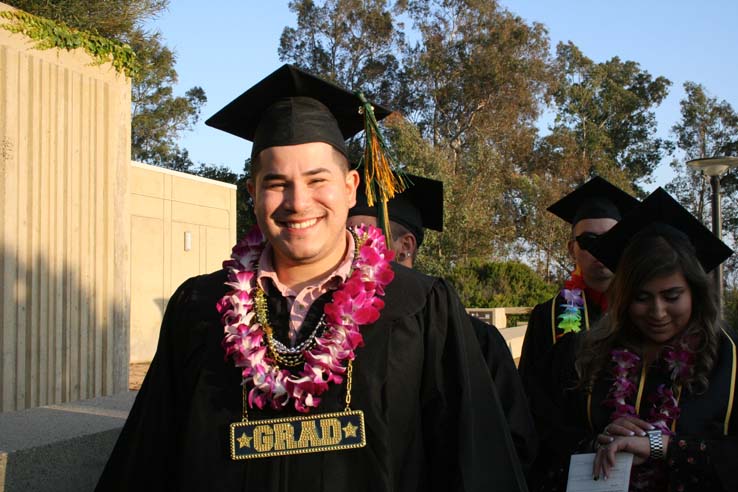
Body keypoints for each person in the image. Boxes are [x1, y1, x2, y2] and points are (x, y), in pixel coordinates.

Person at [96, 65, 526, 491]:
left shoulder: (420, 306)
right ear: (253, 193)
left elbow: (475, 465)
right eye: (277, 183)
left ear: (351, 187)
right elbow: (149, 461)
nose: (298, 202)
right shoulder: (199, 310)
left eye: (317, 179)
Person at [542, 187, 737, 491]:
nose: (657, 312)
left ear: (695, 293)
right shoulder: (587, 353)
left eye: (672, 296)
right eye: (641, 298)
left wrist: (660, 446)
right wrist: (597, 441)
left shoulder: (729, 359)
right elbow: (546, 436)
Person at [347, 172, 538, 473]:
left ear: (405, 246)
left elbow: (515, 444)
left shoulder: (477, 340)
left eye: (359, 236)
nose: (347, 250)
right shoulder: (338, 341)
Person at [518, 176, 639, 486]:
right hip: (571, 466)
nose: (600, 250)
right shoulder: (549, 317)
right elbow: (531, 399)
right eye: (588, 241)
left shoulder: (647, 311)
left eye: (611, 239)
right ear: (572, 249)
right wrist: (585, 443)